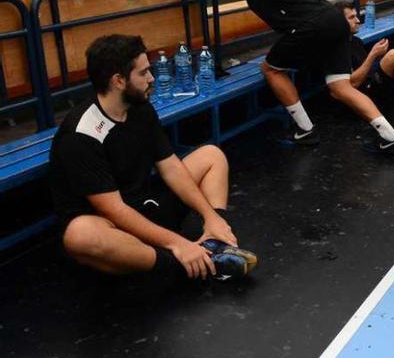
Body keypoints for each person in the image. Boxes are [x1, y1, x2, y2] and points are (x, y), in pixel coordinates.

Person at [51, 35, 257, 286]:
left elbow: (171, 166)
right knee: (80, 235)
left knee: (211, 155)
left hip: (147, 205)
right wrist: (178, 242)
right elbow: (114, 210)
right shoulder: (82, 134)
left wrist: (210, 215)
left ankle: (215, 244)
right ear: (118, 80)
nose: (152, 78)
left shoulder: (139, 107)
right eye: (144, 73)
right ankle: (186, 263)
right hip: (118, 228)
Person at [185, 0, 394, 155]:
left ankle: (305, 129)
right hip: (333, 18)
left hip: (309, 26)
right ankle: (390, 136)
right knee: (341, 87)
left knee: (270, 69)